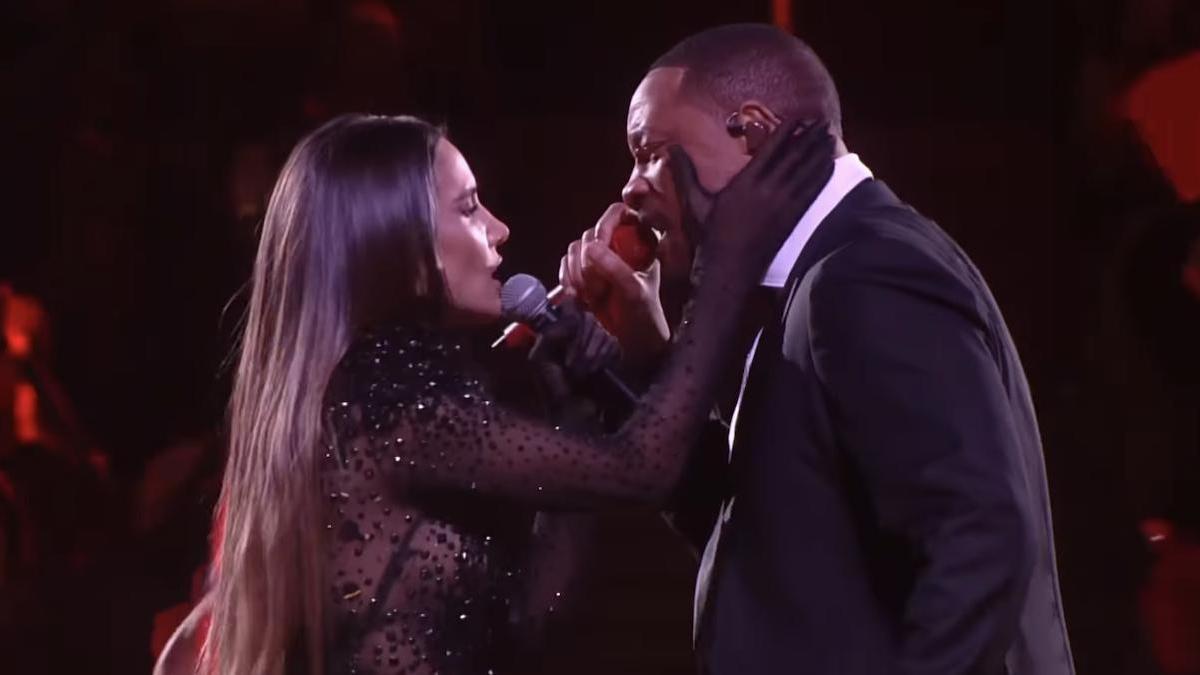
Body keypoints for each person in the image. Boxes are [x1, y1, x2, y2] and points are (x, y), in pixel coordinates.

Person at [196, 112, 834, 675]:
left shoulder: (381, 389)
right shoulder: (388, 389)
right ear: (391, 237)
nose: (499, 229)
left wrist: (573, 408)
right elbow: (642, 470)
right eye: (469, 208)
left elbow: (529, 618)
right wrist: (724, 268)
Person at [560, 24, 1075, 674]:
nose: (631, 188)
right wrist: (646, 359)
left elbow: (982, 539)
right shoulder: (822, 276)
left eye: (651, 153)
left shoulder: (864, 275)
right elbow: (762, 540)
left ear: (753, 130)